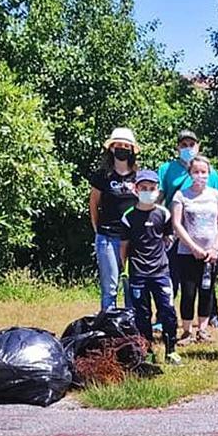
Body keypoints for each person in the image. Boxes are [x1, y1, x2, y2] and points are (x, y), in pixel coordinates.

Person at [158, 129, 218, 329]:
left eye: (191, 144)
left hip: (210, 244)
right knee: (175, 279)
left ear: (198, 146)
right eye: (183, 145)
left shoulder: (213, 176)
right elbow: (160, 198)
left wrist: (216, 246)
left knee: (207, 284)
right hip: (176, 235)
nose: (188, 148)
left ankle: (210, 319)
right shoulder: (166, 169)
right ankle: (166, 317)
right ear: (177, 147)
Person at [119, 170, 181, 365]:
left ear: (158, 190)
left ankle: (171, 350)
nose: (148, 192)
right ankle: (147, 351)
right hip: (138, 272)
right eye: (143, 188)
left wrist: (162, 257)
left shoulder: (164, 213)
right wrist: (124, 269)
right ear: (136, 189)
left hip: (161, 272)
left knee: (167, 311)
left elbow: (168, 238)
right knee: (142, 314)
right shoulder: (128, 216)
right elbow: (124, 246)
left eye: (152, 188)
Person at [171, 156, 218, 345]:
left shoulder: (216, 195)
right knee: (188, 291)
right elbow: (177, 224)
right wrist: (193, 247)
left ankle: (202, 330)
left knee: (207, 290)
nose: (200, 175)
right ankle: (187, 331)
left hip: (212, 254)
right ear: (190, 173)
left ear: (209, 174)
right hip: (187, 252)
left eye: (204, 172)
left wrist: (215, 248)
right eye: (196, 172)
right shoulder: (181, 196)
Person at [88, 127, 139, 310]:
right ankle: (108, 325)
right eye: (119, 145)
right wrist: (97, 230)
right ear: (111, 148)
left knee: (131, 285)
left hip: (132, 239)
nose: (122, 148)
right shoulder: (102, 176)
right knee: (110, 287)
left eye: (126, 146)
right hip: (107, 237)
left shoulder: (138, 176)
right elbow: (93, 203)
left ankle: (131, 326)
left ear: (132, 150)